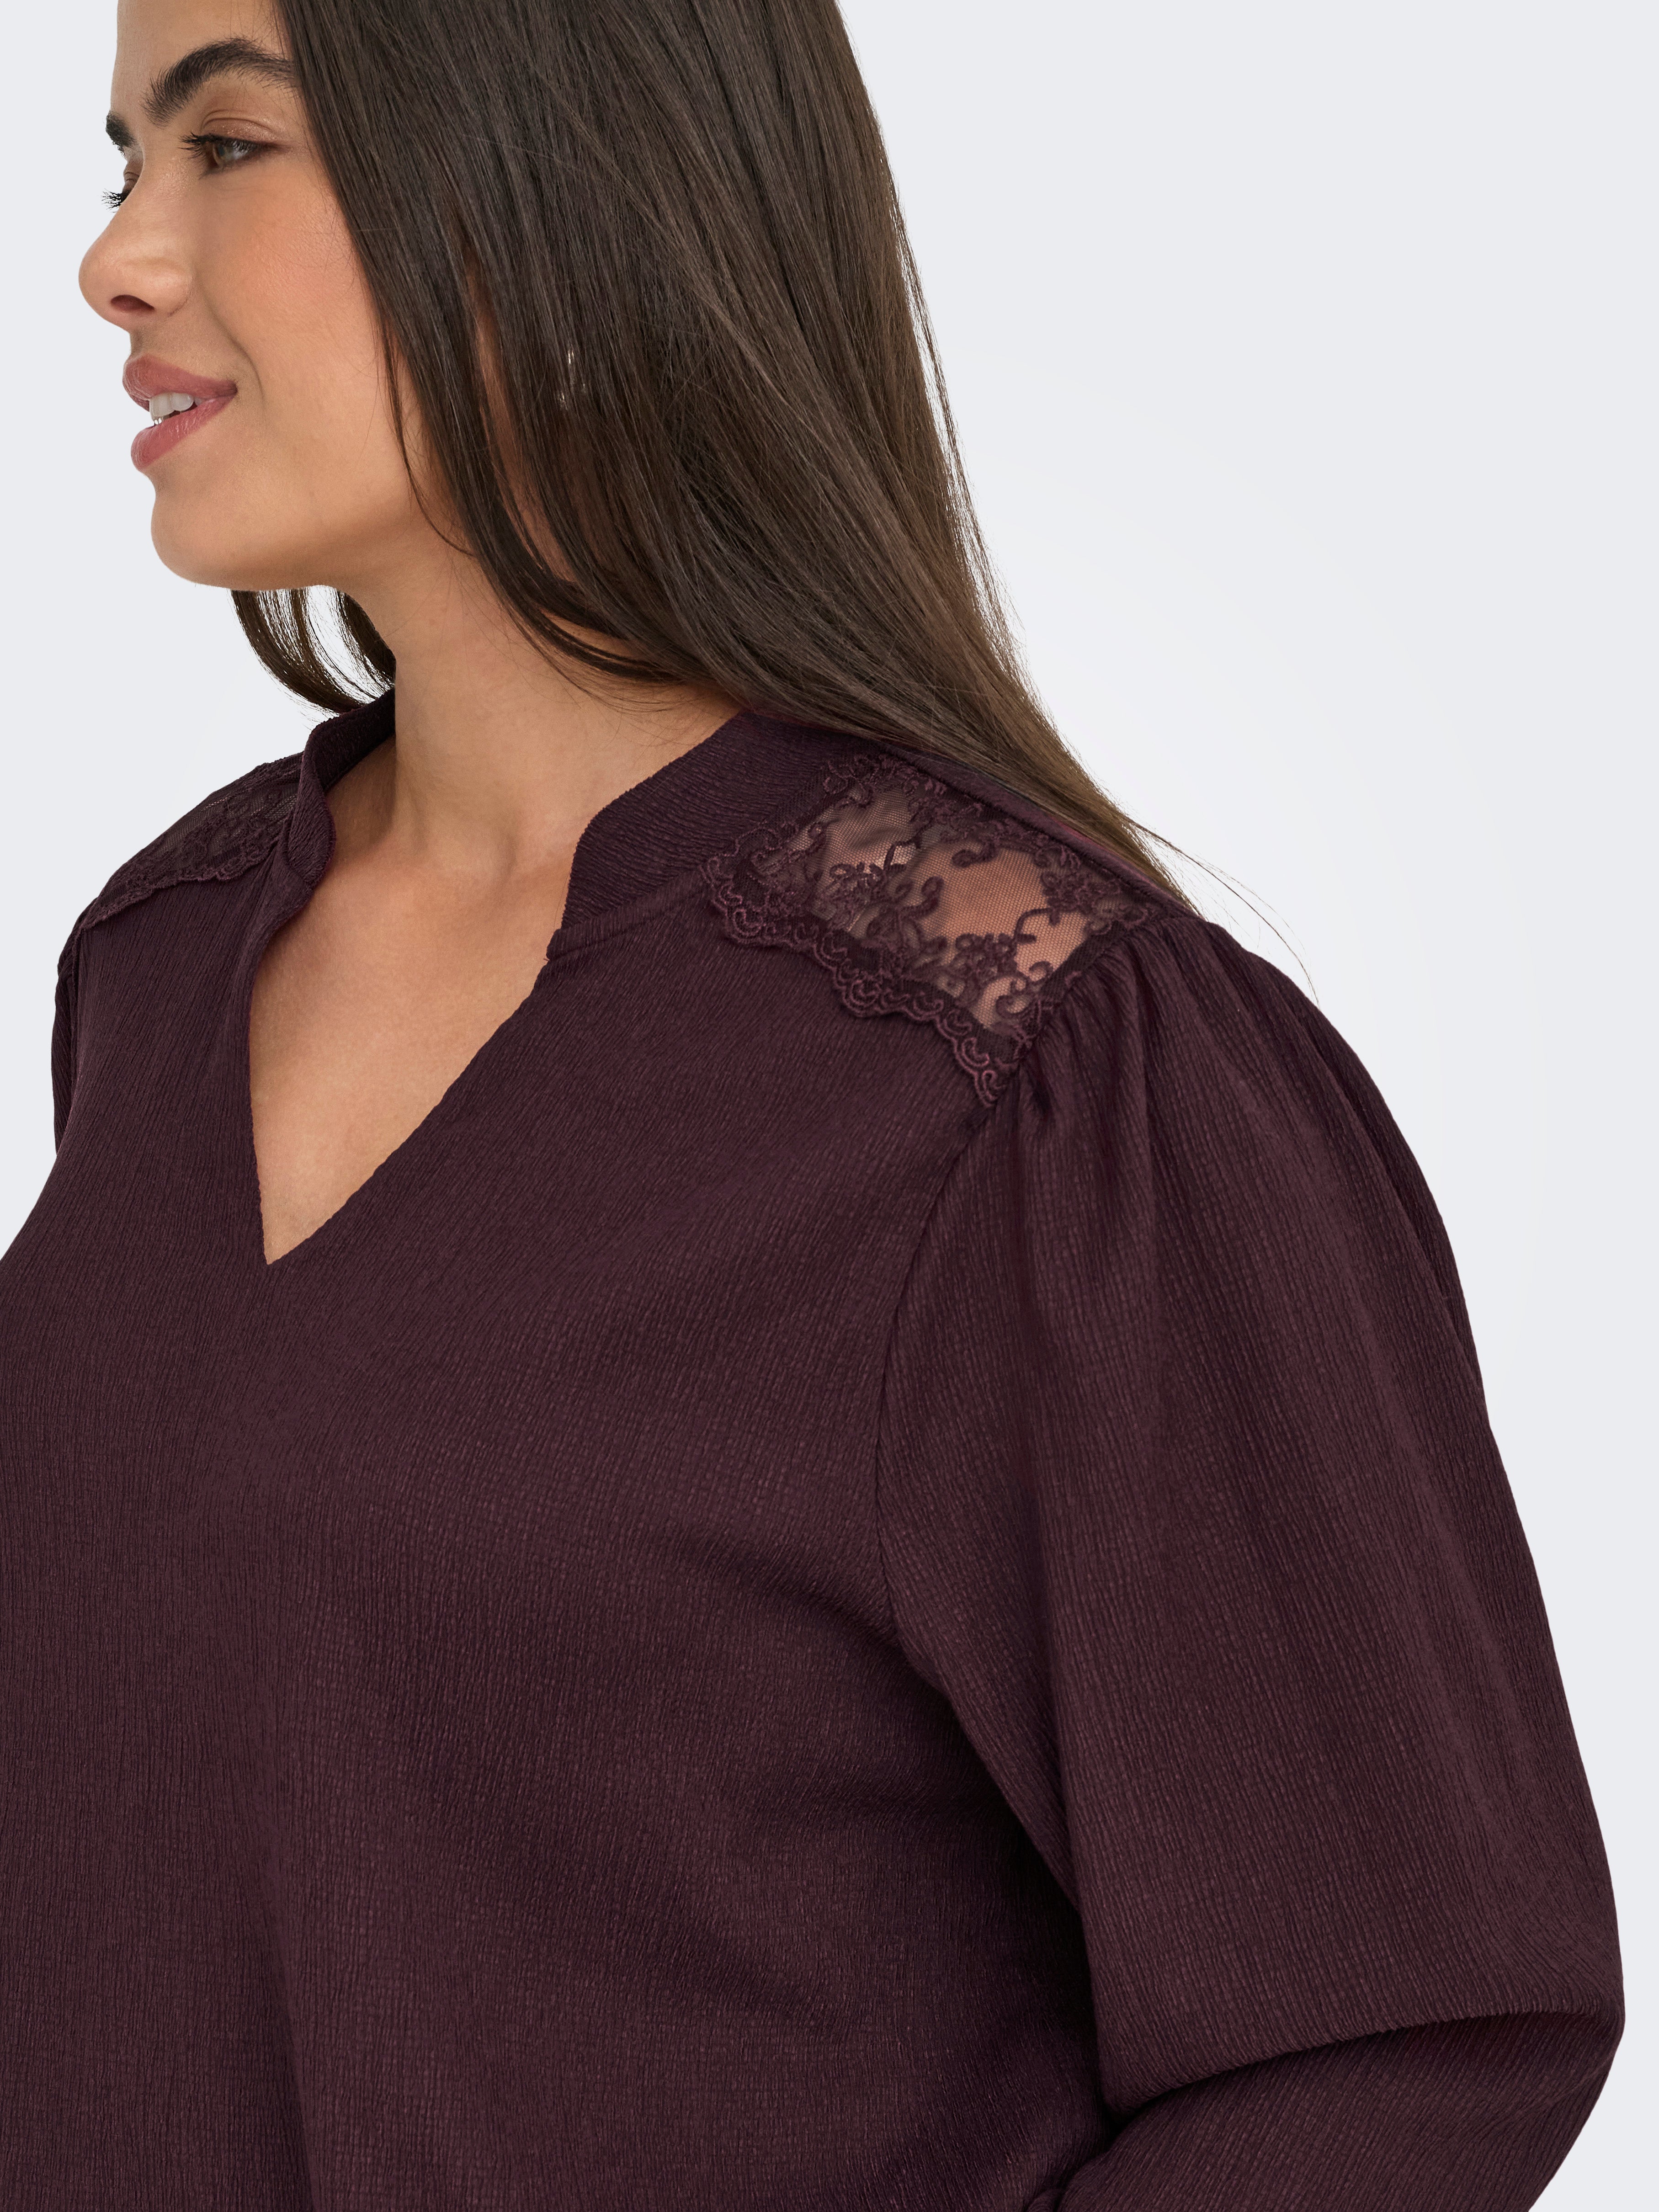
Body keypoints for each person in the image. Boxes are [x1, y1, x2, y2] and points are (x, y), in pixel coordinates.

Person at [0, 0, 1621, 2203]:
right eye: (123, 166)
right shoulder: (163, 962)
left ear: (564, 194)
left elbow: (1397, 2034)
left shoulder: (1040, 1076)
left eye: (233, 148)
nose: (116, 260)